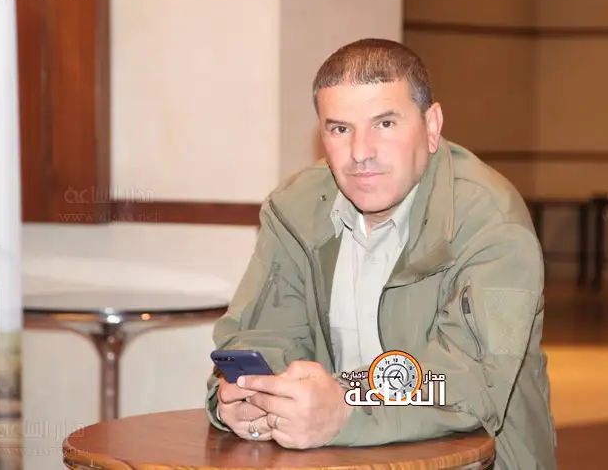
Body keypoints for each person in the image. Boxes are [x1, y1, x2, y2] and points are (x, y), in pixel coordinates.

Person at [204, 38, 557, 469]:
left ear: (431, 126)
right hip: (337, 459)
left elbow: (471, 379)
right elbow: (262, 335)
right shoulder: (294, 209)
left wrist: (346, 404)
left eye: (384, 124)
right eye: (340, 129)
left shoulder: (494, 223)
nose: (361, 153)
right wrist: (250, 397)